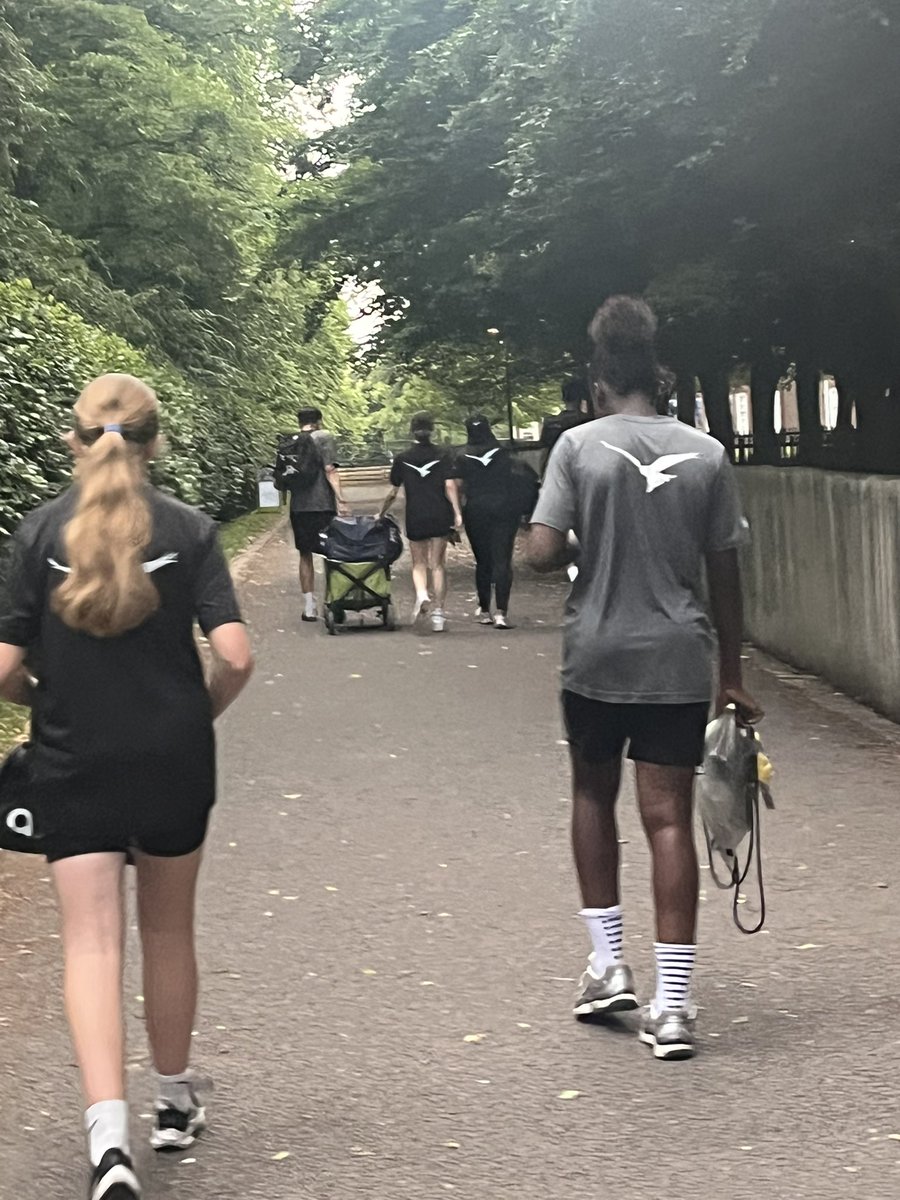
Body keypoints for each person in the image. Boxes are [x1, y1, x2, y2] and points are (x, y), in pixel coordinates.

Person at [0, 374, 254, 1199]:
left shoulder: (39, 533)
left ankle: (108, 1143)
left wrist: (43, 700)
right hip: (174, 760)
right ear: (157, 441)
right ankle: (173, 1103)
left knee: (90, 942)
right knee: (168, 931)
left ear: (73, 439)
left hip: (72, 759)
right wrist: (195, 714)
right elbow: (236, 656)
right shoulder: (189, 529)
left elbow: (2, 668)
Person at [527, 297, 762, 1060]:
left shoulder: (577, 446)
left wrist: (577, 545)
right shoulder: (707, 453)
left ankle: (608, 968)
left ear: (599, 382)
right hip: (678, 658)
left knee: (592, 797)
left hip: (596, 655)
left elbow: (539, 552)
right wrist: (731, 673)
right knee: (669, 821)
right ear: (658, 378)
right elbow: (725, 569)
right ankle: (675, 1007)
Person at [379, 412, 463, 632]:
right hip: (440, 514)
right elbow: (450, 485)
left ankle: (422, 594)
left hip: (416, 514)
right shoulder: (444, 454)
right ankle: (439, 615)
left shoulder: (403, 458)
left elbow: (393, 492)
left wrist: (381, 513)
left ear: (412, 431)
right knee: (438, 564)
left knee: (418, 563)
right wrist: (457, 513)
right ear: (432, 430)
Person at [275, 406, 349, 623]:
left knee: (305, 555)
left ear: (299, 422)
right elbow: (330, 470)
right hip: (323, 505)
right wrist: (341, 499)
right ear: (319, 421)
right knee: (331, 553)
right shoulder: (324, 437)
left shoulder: (290, 442)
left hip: (299, 507)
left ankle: (309, 607)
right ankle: (333, 602)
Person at [454, 414, 524, 630]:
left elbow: (458, 485)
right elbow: (518, 478)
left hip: (476, 510)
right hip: (505, 508)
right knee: (502, 559)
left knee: (483, 561)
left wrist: (456, 513)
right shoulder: (504, 452)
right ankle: (502, 613)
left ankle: (484, 610)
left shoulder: (462, 455)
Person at [538, 377, 592, 471]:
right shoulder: (590, 423)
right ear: (582, 397)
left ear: (563, 398)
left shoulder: (551, 423)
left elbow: (544, 455)